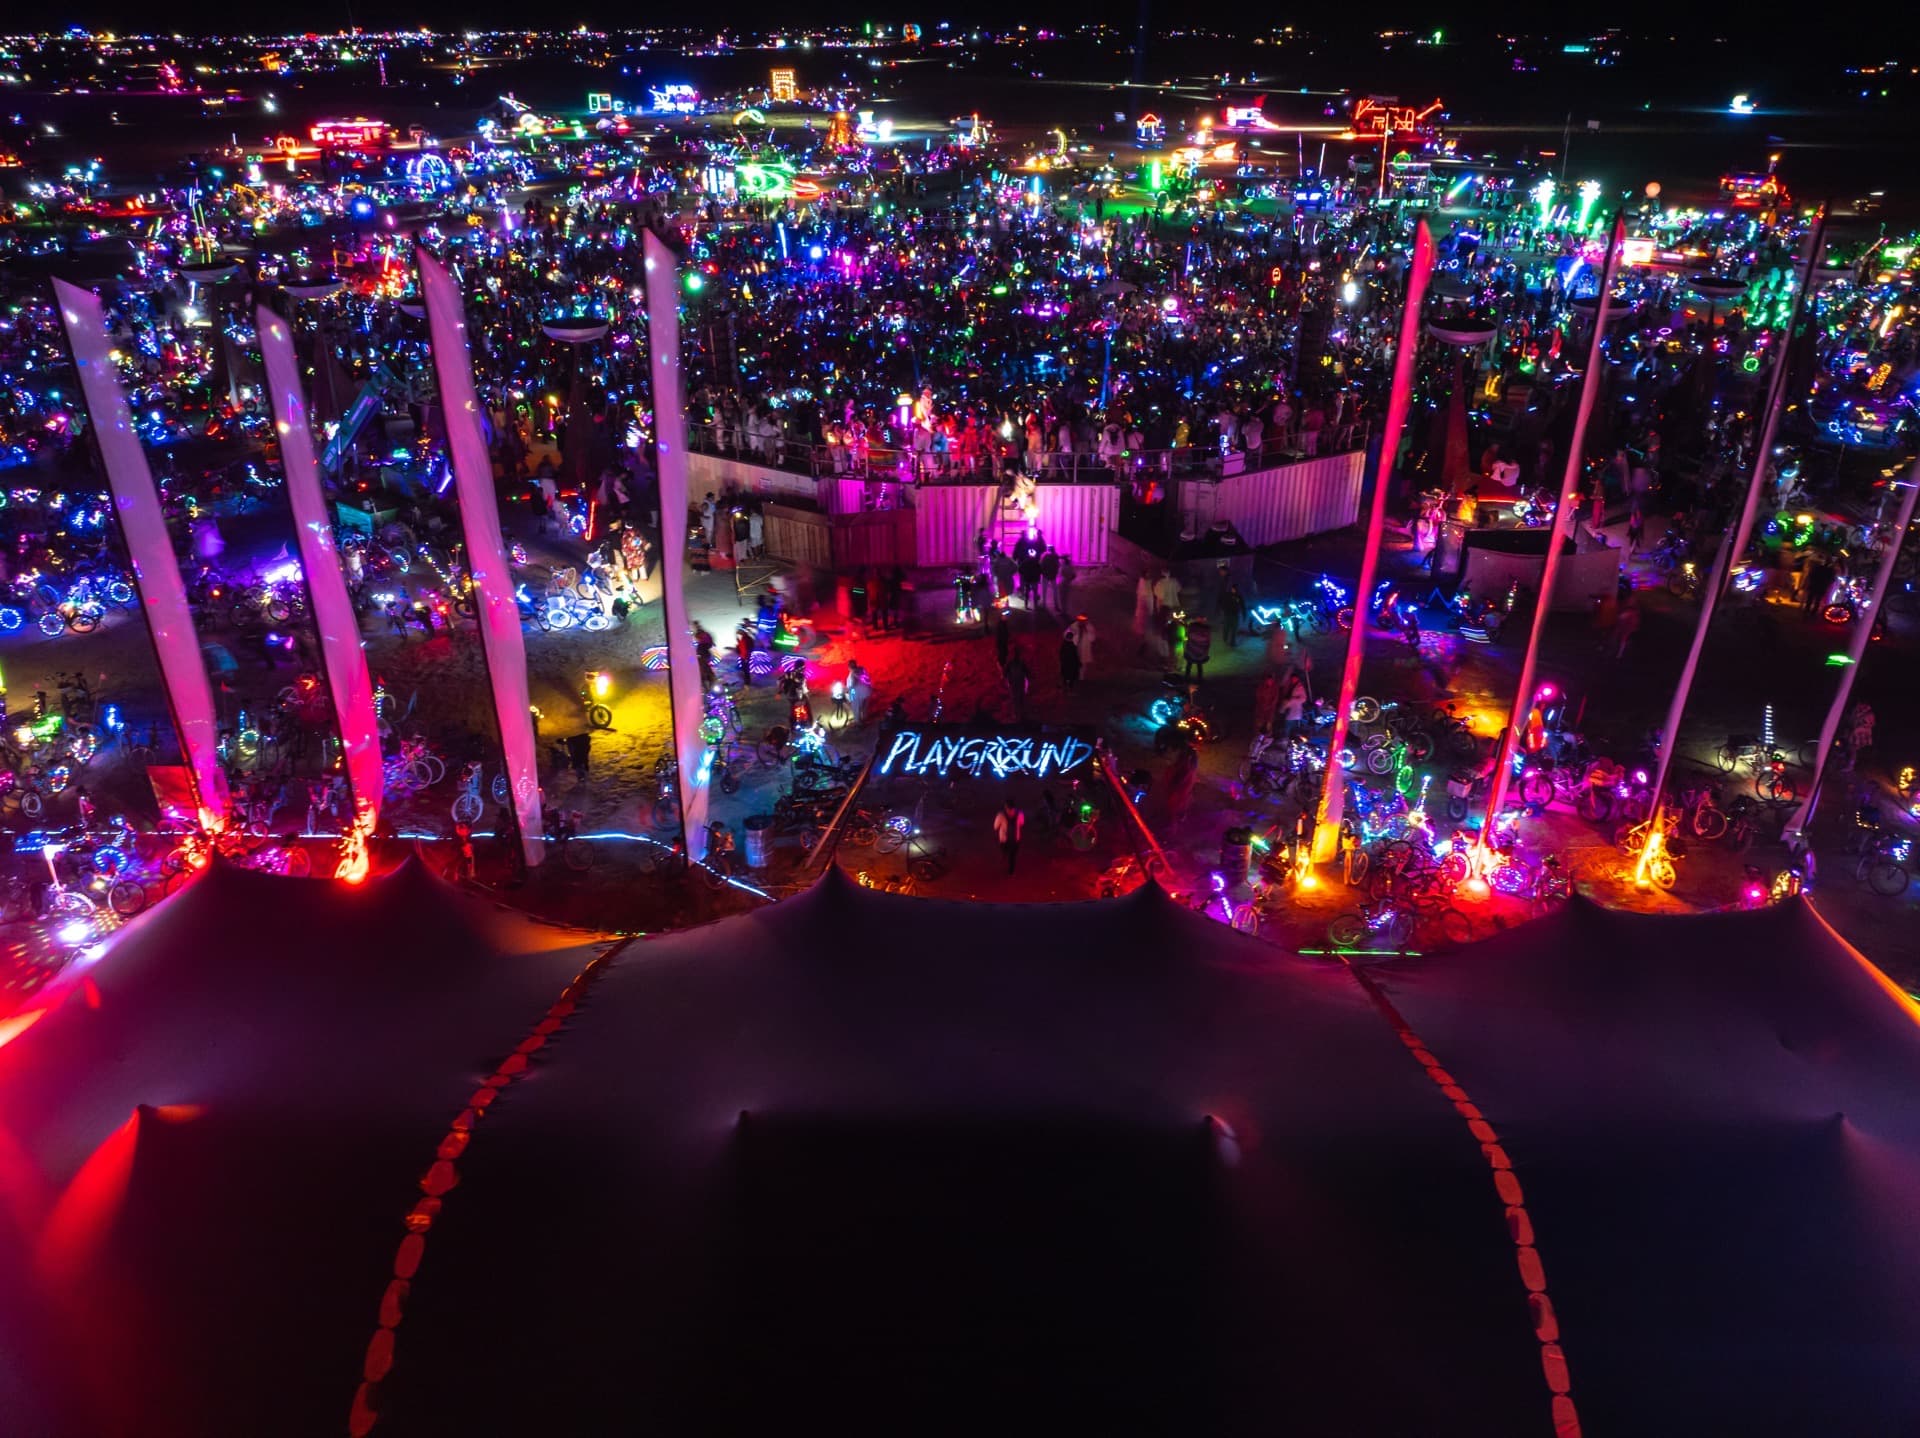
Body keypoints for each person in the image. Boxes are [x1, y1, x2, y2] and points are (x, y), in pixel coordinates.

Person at [994, 797, 1026, 874]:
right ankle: (1011, 871)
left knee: (1005, 850)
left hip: (1004, 840)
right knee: (1013, 856)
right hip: (1016, 839)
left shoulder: (1000, 815)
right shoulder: (1020, 814)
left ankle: (1004, 856)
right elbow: (1022, 823)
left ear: (1005, 806)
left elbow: (995, 827)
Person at [1183, 612, 1212, 681]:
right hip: (1200, 651)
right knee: (1199, 664)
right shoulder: (1206, 629)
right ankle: (1199, 678)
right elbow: (1208, 641)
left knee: (1189, 664)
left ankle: (1187, 677)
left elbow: (1187, 635)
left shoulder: (1192, 626)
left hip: (1191, 649)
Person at [1251, 670, 1280, 738]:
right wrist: (1262, 705)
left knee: (1269, 723)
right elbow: (1258, 696)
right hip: (1261, 708)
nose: (1269, 682)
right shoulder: (1261, 687)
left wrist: (1270, 706)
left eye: (1271, 681)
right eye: (1268, 680)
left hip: (1270, 709)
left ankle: (1268, 737)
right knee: (1259, 722)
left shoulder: (1275, 688)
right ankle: (1258, 736)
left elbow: (1275, 698)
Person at [1004, 648, 1032, 719]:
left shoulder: (1015, 664)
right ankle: (1018, 714)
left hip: (1017, 683)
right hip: (1016, 683)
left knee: (1018, 699)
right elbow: (1006, 675)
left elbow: (1006, 675)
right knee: (1017, 699)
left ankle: (1020, 714)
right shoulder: (1014, 664)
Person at [1219, 582, 1245, 646]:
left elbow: (1242, 606)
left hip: (1235, 615)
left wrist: (1244, 614)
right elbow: (1223, 603)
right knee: (1226, 628)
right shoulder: (1227, 595)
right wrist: (1223, 610)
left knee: (1234, 629)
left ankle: (1232, 642)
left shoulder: (1239, 596)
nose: (1234, 590)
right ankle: (1225, 638)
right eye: (1233, 589)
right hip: (1227, 614)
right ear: (1231, 589)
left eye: (1235, 589)